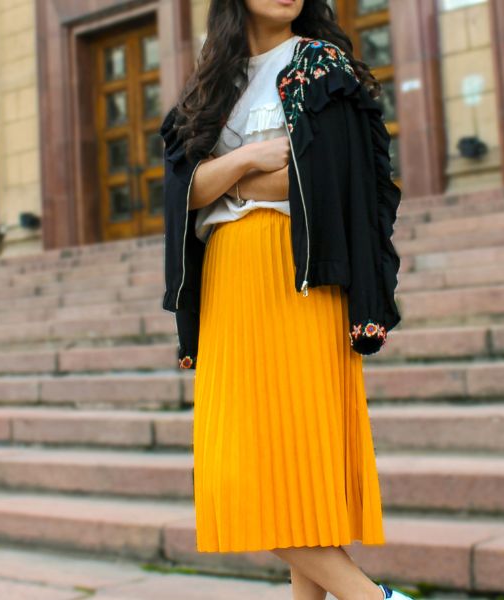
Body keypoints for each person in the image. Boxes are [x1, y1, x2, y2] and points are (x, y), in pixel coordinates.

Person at [161, 1, 408, 599]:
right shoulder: (209, 87)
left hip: (297, 272)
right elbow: (180, 191)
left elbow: (327, 178)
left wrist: (221, 179)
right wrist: (248, 159)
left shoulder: (320, 65)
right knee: (255, 470)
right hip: (227, 281)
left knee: (283, 469)